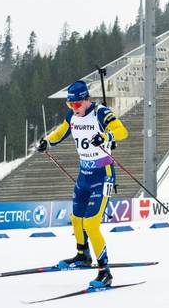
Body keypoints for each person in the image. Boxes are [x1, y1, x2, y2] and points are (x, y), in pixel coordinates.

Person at [36, 80, 128, 288]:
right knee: (76, 218)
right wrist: (47, 141)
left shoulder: (101, 113)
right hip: (84, 175)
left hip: (102, 175)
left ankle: (105, 272)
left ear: (87, 99)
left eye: (76, 105)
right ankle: (82, 255)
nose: (73, 109)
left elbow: (122, 131)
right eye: (70, 105)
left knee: (91, 224)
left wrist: (106, 136)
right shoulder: (72, 116)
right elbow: (61, 132)